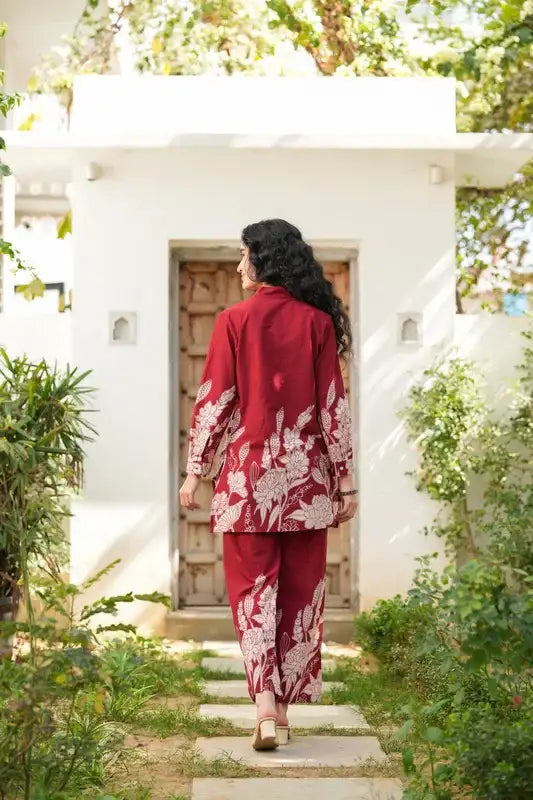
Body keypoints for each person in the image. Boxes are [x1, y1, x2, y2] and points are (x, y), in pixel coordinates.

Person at [179, 219, 357, 750]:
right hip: (306, 487)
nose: (239, 265)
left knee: (253, 593)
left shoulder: (233, 320)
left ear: (264, 259)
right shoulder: (317, 324)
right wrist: (345, 480)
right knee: (300, 596)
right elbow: (332, 407)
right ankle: (282, 710)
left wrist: (196, 471)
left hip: (247, 483)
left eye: (244, 255)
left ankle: (263, 708)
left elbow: (215, 401)